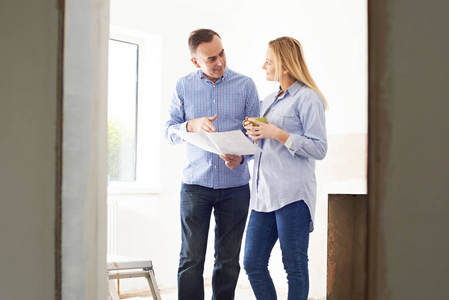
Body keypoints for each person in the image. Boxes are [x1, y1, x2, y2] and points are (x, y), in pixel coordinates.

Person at [165, 28, 260, 300]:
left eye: (222, 54)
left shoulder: (246, 85)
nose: (219, 62)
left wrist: (243, 156)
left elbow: (257, 134)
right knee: (191, 259)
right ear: (195, 61)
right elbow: (169, 131)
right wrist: (191, 125)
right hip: (196, 186)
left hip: (236, 187)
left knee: (228, 261)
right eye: (210, 59)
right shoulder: (183, 86)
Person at [242, 36, 328, 300]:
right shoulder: (267, 99)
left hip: (292, 195)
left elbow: (319, 149)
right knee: (252, 264)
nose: (263, 66)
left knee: (294, 267)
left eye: (269, 61)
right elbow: (262, 147)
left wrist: (278, 133)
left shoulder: (308, 98)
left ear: (286, 65)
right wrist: (252, 137)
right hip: (263, 195)